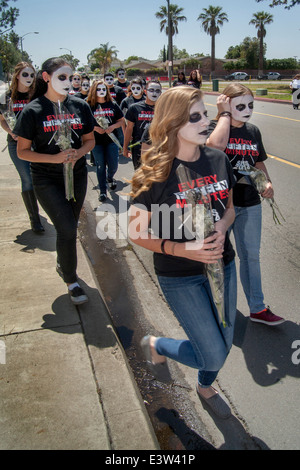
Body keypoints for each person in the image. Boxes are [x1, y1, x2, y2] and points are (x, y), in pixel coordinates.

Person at [129, 86, 237, 419]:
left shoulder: (217, 159)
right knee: (214, 353)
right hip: (179, 277)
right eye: (195, 117)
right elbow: (135, 232)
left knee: (224, 343)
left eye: (205, 114)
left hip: (224, 266)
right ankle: (158, 345)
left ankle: (204, 385)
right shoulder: (154, 174)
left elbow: (229, 208)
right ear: (173, 123)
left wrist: (220, 228)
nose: (206, 121)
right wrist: (185, 249)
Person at [14, 57, 95, 305]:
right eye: (62, 77)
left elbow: (89, 140)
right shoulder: (33, 110)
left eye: (71, 77)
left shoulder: (80, 106)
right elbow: (22, 152)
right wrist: (56, 159)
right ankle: (71, 280)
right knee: (67, 229)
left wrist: (78, 154)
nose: (68, 82)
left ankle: (64, 263)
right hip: (46, 179)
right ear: (46, 77)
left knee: (69, 228)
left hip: (78, 175)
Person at [207, 83, 285, 326]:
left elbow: (258, 161)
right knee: (215, 256)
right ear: (226, 103)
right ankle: (216, 304)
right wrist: (224, 115)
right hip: (220, 206)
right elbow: (215, 147)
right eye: (240, 105)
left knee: (251, 256)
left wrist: (267, 184)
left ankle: (257, 308)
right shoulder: (214, 127)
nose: (248, 110)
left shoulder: (253, 131)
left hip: (250, 203)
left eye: (251, 105)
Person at [0, 61, 44, 233]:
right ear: (17, 75)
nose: (29, 78)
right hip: (16, 144)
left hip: (38, 144)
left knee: (39, 178)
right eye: (25, 74)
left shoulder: (36, 95)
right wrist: (11, 132)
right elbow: (3, 120)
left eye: (32, 75)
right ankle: (35, 220)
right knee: (27, 179)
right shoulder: (6, 97)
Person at [86, 79, 124, 202]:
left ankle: (110, 177)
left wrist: (112, 127)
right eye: (98, 89)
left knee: (113, 164)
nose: (101, 91)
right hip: (96, 142)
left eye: (103, 89)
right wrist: (96, 128)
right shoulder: (88, 106)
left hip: (111, 141)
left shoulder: (112, 104)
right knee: (100, 166)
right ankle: (103, 191)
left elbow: (121, 121)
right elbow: (84, 124)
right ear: (93, 91)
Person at [123, 80, 162, 169]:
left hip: (158, 148)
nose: (154, 93)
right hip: (138, 147)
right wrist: (125, 147)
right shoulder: (134, 108)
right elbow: (129, 129)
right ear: (145, 91)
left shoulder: (164, 109)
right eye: (151, 90)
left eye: (157, 91)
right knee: (140, 175)